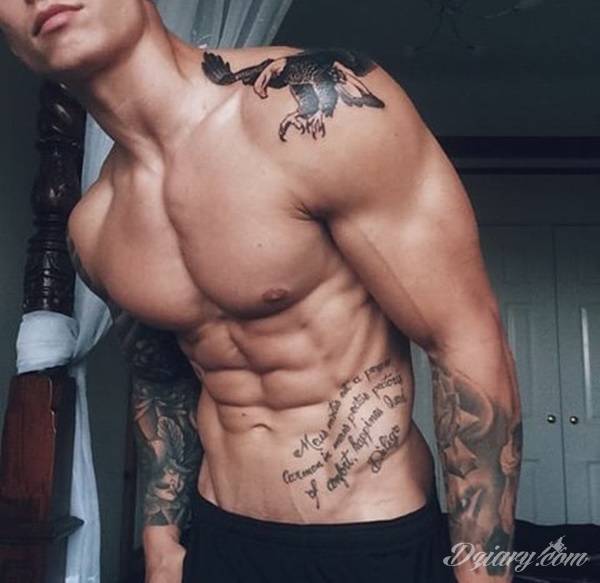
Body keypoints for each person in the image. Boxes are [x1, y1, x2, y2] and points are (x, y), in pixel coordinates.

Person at [0, 0, 522, 581]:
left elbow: (463, 336)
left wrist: (485, 571)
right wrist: (160, 539)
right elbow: (161, 380)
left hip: (370, 538)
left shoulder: (316, 108)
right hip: (219, 536)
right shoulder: (94, 227)